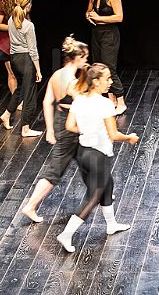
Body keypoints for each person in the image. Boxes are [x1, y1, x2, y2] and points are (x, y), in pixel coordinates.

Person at [56, 62, 138, 252]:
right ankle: (66, 234)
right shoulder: (105, 104)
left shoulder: (79, 99)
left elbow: (70, 126)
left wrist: (88, 130)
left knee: (108, 185)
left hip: (83, 153)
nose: (110, 82)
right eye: (107, 79)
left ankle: (111, 224)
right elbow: (114, 135)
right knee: (93, 197)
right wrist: (129, 138)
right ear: (96, 81)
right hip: (98, 155)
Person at [19, 36, 89, 223]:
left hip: (60, 122)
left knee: (87, 159)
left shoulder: (57, 75)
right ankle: (30, 205)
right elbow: (82, 104)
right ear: (77, 57)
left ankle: (102, 191)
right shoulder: (71, 82)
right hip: (70, 126)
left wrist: (50, 129)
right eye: (85, 57)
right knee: (55, 170)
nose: (86, 61)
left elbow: (47, 102)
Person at [85, 0, 126, 115]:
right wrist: (89, 16)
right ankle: (111, 99)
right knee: (99, 66)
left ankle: (121, 101)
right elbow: (89, 11)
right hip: (97, 33)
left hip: (110, 34)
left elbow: (119, 17)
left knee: (109, 68)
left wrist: (99, 18)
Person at [2, 0, 43, 138]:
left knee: (19, 89)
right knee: (30, 95)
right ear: (28, 5)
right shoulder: (28, 25)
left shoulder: (10, 20)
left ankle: (6, 114)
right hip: (26, 60)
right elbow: (33, 50)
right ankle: (25, 128)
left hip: (14, 59)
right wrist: (38, 69)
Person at [0, 0, 26, 103]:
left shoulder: (24, 1)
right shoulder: (3, 3)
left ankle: (24, 99)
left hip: (22, 42)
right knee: (12, 73)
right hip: (7, 44)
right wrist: (14, 27)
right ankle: (16, 101)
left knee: (24, 73)